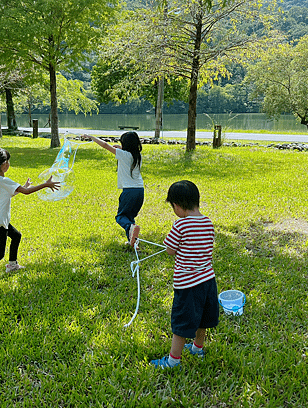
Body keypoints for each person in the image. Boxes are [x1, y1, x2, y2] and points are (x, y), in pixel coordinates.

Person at [0, 148, 60, 294]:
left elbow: (10, 193)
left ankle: (12, 265)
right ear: (4, 164)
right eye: (8, 161)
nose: (9, 163)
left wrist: (24, 186)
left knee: (16, 235)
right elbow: (26, 192)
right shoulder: (4, 180)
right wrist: (46, 185)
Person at [151, 180, 218, 369]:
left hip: (187, 284)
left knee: (181, 323)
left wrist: (175, 246)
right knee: (202, 319)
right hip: (207, 281)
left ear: (178, 205)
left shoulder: (181, 225)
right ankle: (197, 349)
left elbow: (170, 250)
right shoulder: (208, 222)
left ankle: (173, 361)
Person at [81, 132, 143, 246]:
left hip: (129, 191)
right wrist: (121, 148)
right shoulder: (137, 155)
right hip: (140, 191)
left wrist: (92, 137)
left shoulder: (123, 155)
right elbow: (128, 153)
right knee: (129, 217)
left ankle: (131, 230)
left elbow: (105, 145)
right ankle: (133, 242)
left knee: (121, 217)